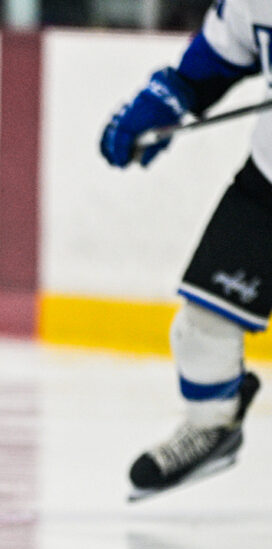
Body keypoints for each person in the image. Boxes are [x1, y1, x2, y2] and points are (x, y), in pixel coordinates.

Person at [100, 0, 265, 499]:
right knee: (204, 324)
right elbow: (216, 59)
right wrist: (163, 103)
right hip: (270, 179)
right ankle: (212, 424)